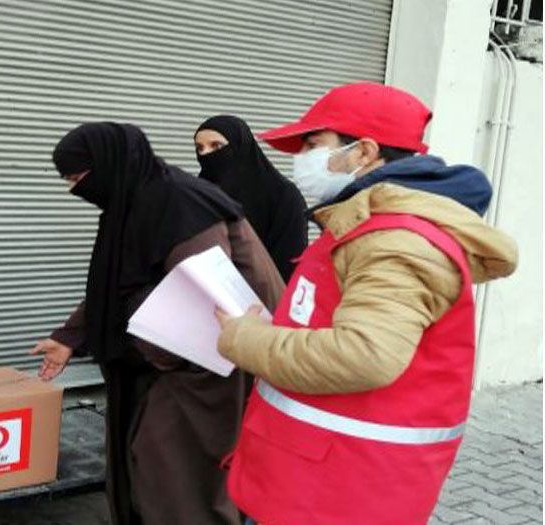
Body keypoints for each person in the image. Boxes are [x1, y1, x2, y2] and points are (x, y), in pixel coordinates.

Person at [214, 83, 519, 525]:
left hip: (339, 495)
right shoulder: (366, 223)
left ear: (364, 152)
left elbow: (366, 354)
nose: (300, 159)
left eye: (313, 145)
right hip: (312, 478)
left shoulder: (396, 240)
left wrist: (245, 339)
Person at [30, 122, 285, 525]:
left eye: (79, 179)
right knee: (151, 462)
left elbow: (204, 296)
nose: (75, 191)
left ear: (109, 165)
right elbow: (118, 283)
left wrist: (139, 348)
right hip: (173, 354)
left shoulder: (179, 203)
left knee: (173, 471)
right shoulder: (136, 201)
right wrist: (70, 338)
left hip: (212, 359)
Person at [194, 115, 308, 281]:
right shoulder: (200, 194)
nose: (207, 154)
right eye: (200, 148)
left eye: (216, 146)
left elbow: (289, 265)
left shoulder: (282, 195)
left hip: (266, 300)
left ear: (241, 146)